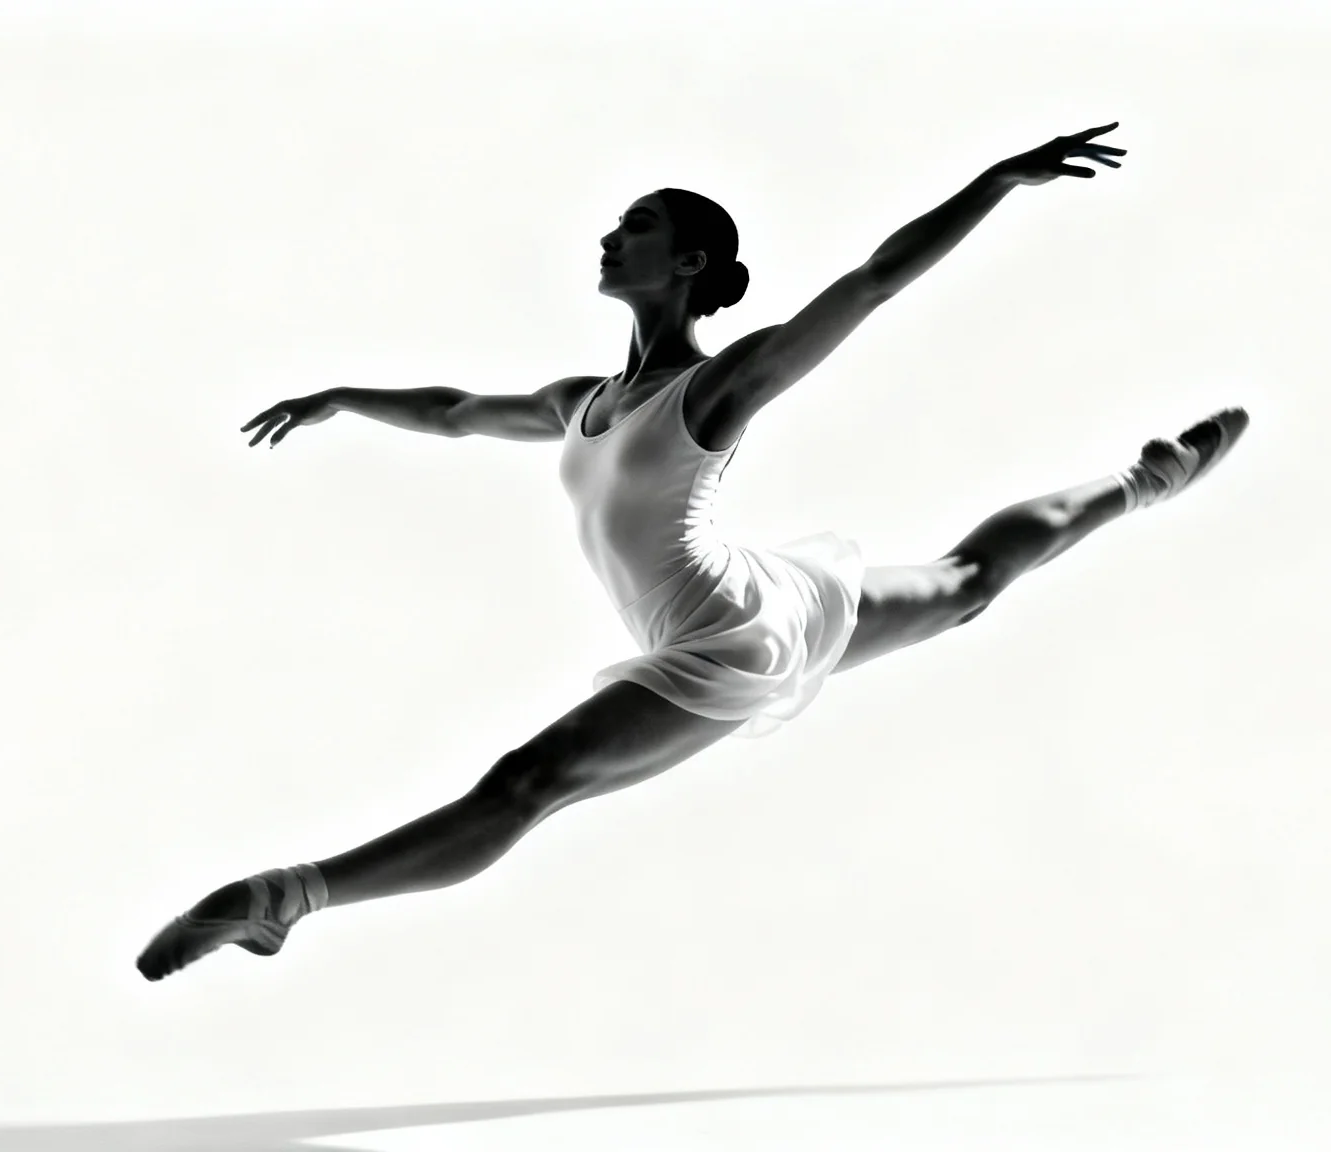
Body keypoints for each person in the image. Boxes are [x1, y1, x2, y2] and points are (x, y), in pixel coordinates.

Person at [137, 122, 1247, 982]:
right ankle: (1147, 480)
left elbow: (870, 281)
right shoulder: (582, 401)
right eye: (615, 224)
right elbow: (456, 407)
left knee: (531, 783)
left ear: (691, 260)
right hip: (765, 590)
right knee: (963, 588)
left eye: (636, 226)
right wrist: (341, 396)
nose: (608, 239)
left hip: (723, 638)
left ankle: (289, 898)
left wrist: (994, 187)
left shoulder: (715, 387)